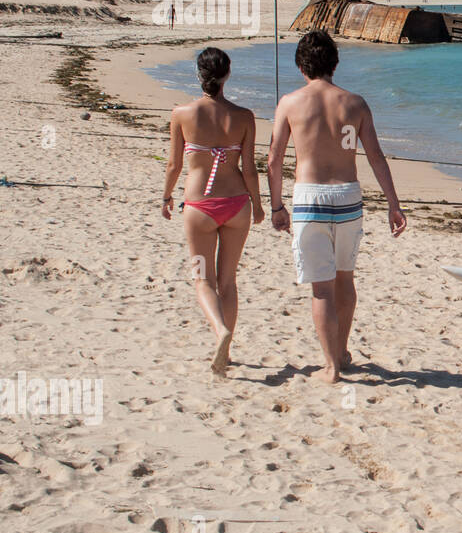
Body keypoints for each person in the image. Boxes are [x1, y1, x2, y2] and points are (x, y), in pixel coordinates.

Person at [268, 30, 406, 383]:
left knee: (322, 288)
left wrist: (277, 206)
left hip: (310, 198)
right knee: (345, 279)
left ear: (301, 66)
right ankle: (341, 352)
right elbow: (375, 156)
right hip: (347, 196)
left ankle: (330, 366)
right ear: (335, 63)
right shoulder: (355, 103)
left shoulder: (290, 102)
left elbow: (273, 159)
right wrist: (394, 204)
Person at [163, 47, 265, 374]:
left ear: (199, 75)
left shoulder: (182, 114)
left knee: (201, 278)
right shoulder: (244, 116)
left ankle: (220, 331)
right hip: (237, 204)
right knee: (228, 281)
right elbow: (250, 169)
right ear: (227, 75)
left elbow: (174, 164)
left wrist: (166, 196)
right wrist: (260, 205)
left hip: (198, 207)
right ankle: (229, 348)